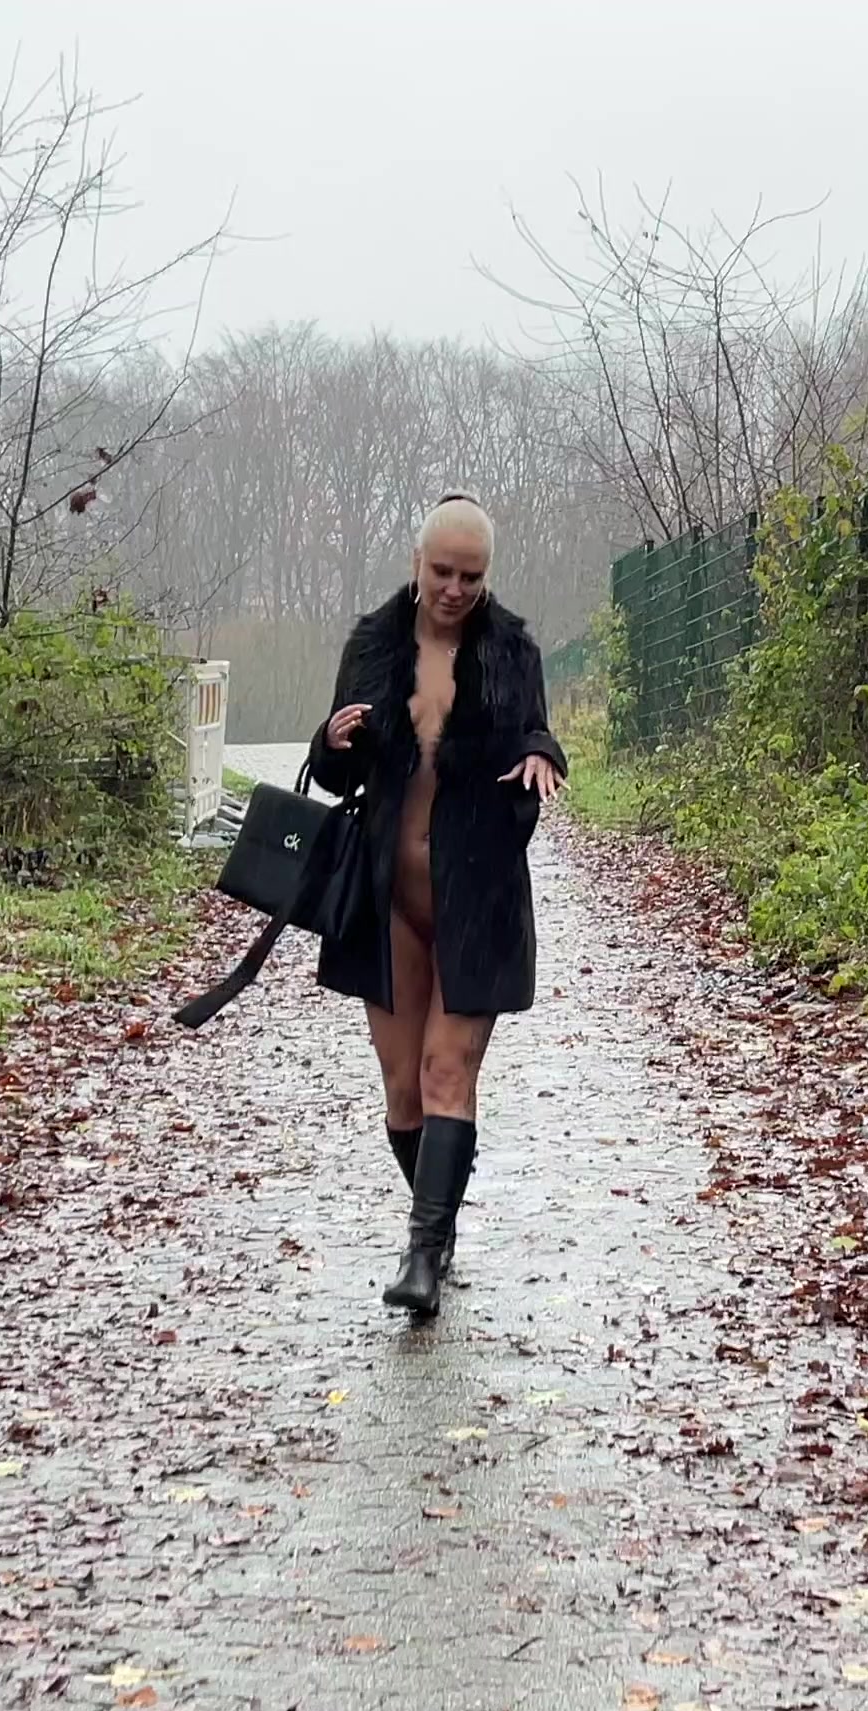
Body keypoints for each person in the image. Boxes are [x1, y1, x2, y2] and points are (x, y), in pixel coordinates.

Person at [300, 493, 566, 1317]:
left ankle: (421, 1256)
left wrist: (540, 755)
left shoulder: (512, 651)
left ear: (487, 577)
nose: (455, 589)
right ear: (417, 563)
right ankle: (439, 1224)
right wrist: (330, 742)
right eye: (443, 571)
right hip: (387, 901)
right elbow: (338, 773)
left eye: (471, 577)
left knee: (447, 1070)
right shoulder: (373, 645)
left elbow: (536, 733)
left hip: (477, 898)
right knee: (404, 1090)